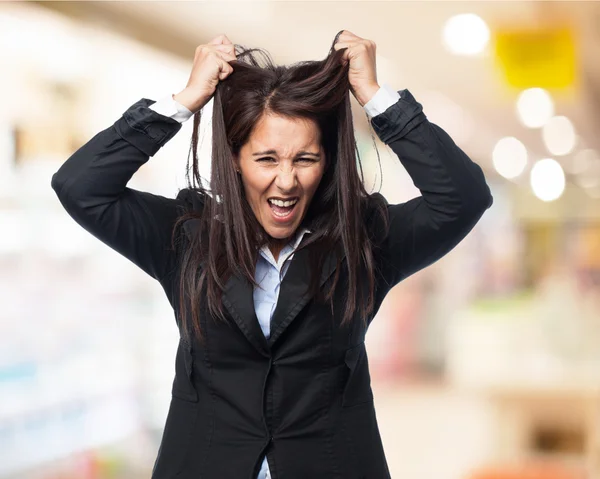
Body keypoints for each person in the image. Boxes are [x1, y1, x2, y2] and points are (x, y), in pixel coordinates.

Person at [51, 30, 492, 479]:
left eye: (305, 159)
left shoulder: (364, 242)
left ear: (326, 163)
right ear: (236, 159)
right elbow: (80, 187)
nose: (286, 181)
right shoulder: (187, 238)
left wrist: (377, 99)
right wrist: (184, 101)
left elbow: (463, 198)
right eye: (266, 159)